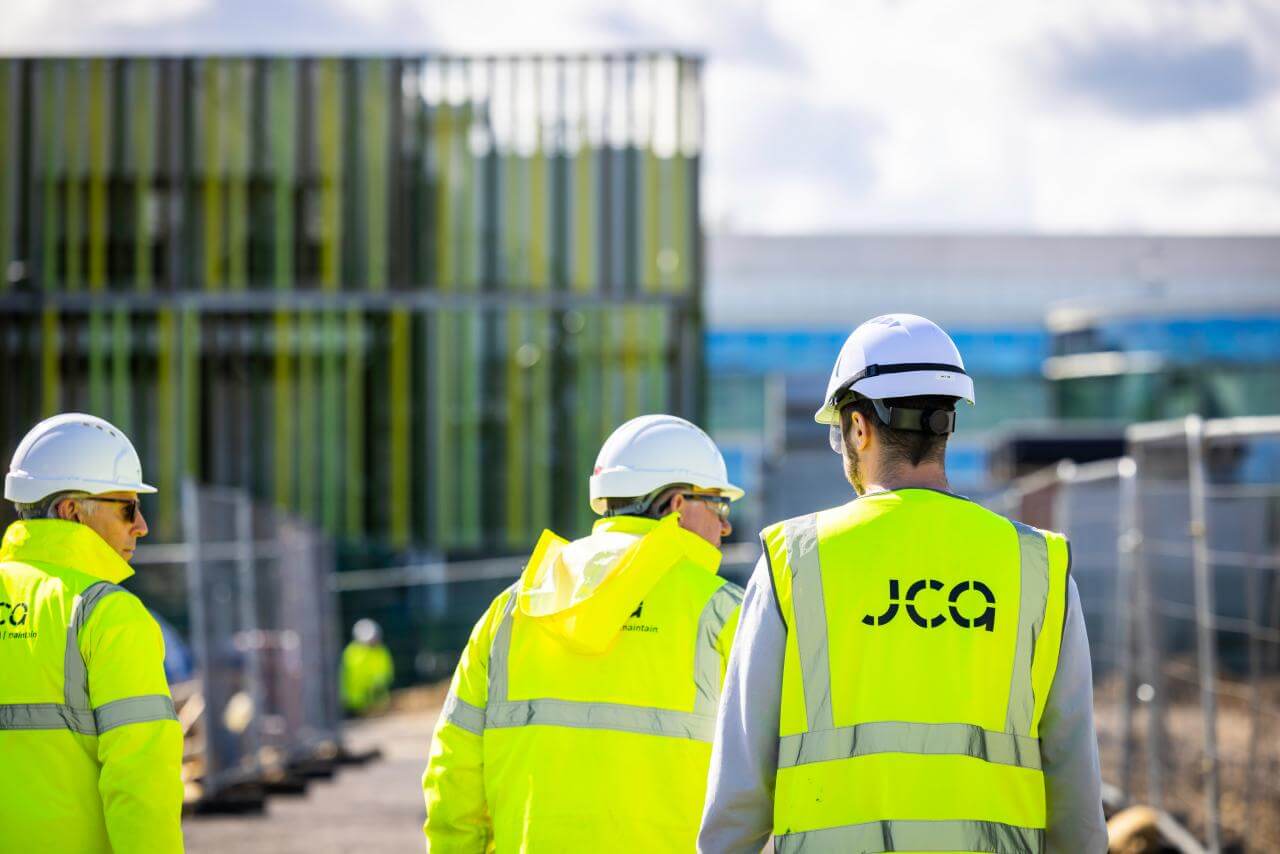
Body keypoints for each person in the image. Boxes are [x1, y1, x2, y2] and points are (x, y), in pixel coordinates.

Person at [699, 314, 1108, 853]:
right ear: (948, 423)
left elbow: (740, 786)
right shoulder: (1038, 563)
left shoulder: (792, 561)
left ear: (859, 428)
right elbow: (1074, 779)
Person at [423, 414, 745, 851]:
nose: (725, 526)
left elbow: (454, 772)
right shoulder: (726, 614)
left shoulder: (514, 609)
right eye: (718, 505)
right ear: (676, 505)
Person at [0, 413, 184, 853]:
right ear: (70, 511)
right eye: (128, 508)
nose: (142, 525)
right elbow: (141, 783)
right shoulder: (108, 615)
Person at [342, 618, 395, 715]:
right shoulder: (352, 653)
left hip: (377, 704)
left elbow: (387, 673)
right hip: (354, 705)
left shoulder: (381, 652)